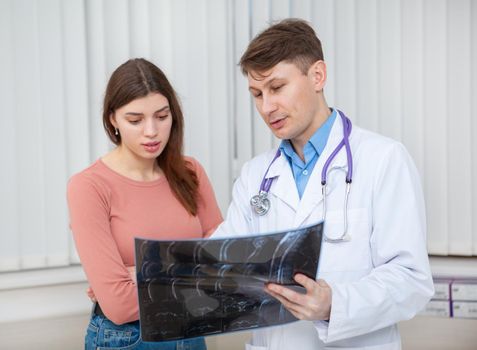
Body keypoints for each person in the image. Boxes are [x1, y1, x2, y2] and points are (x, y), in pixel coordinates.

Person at [212, 19, 434, 349]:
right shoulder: (255, 175)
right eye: (257, 94)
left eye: (276, 88)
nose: (266, 107)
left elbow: (410, 279)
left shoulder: (383, 159)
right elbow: (223, 259)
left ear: (317, 76)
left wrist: (334, 304)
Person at [67, 58, 223, 350]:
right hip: (128, 339)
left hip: (190, 332)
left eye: (162, 116)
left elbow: (225, 266)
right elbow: (119, 305)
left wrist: (144, 272)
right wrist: (193, 270)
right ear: (113, 119)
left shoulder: (190, 172)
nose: (151, 131)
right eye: (135, 120)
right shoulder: (88, 187)